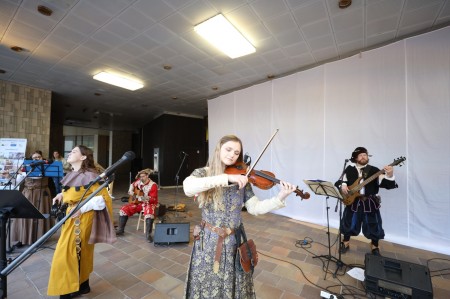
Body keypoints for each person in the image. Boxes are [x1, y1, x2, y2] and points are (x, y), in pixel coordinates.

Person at [182, 135, 296, 298]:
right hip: (209, 240)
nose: (232, 155)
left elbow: (255, 208)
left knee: (236, 283)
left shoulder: (244, 178)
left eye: (236, 152)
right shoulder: (204, 173)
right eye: (228, 150)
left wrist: (281, 197)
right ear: (218, 149)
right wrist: (226, 178)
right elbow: (188, 187)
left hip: (235, 240)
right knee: (208, 281)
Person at [47, 145, 115, 298]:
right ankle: (83, 285)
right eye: (71, 151)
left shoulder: (92, 175)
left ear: (83, 157)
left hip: (82, 218)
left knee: (66, 253)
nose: (70, 153)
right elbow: (75, 192)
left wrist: (82, 209)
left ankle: (66, 289)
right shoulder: (73, 173)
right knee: (80, 251)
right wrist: (61, 195)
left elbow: (103, 199)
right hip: (71, 216)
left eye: (74, 151)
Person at [335, 147, 398, 256]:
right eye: (360, 155)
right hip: (353, 201)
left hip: (369, 202)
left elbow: (388, 185)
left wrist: (390, 175)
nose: (363, 156)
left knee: (373, 224)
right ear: (355, 158)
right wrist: (343, 185)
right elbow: (340, 181)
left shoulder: (374, 170)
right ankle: (345, 242)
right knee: (348, 222)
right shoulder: (349, 169)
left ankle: (375, 246)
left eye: (365, 154)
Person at [10, 150, 53, 245]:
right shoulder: (26, 167)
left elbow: (38, 177)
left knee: (41, 213)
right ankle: (23, 237)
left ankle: (39, 238)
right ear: (31, 159)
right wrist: (20, 174)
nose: (37, 159)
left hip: (42, 193)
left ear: (42, 158)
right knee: (26, 214)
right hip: (28, 193)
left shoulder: (47, 167)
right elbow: (17, 182)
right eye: (34, 158)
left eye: (39, 157)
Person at [116, 168, 158, 242]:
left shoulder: (153, 185)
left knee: (149, 212)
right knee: (124, 209)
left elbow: (153, 199)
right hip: (139, 203)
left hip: (149, 203)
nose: (141, 178)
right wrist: (131, 192)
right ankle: (120, 230)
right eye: (140, 176)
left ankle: (148, 235)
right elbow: (132, 185)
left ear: (147, 175)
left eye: (143, 176)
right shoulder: (139, 182)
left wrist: (141, 198)